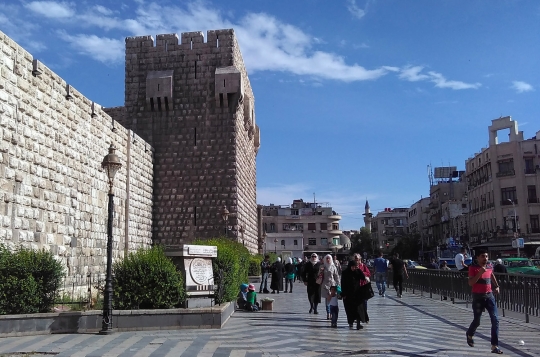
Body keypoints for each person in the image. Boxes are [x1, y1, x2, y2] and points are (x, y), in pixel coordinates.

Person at [466, 250, 503, 354]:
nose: (485, 259)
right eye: (482, 256)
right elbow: (471, 283)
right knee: (477, 321)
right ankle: (469, 334)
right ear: (477, 258)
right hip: (478, 297)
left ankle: (494, 346)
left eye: (486, 256)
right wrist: (480, 273)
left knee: (495, 320)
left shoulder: (490, 266)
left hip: (489, 296)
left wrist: (497, 286)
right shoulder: (473, 268)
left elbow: (491, 275)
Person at [340, 260, 366, 329]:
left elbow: (363, 277)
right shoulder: (345, 273)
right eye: (353, 267)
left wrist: (359, 270)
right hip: (348, 295)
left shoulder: (357, 272)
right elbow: (343, 284)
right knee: (349, 310)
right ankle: (350, 323)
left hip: (357, 294)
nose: (354, 268)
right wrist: (343, 294)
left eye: (355, 267)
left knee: (358, 309)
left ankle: (358, 324)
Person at [321, 254, 341, 320]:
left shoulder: (333, 266)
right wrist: (321, 271)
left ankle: (333, 313)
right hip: (325, 285)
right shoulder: (323, 266)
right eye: (327, 258)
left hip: (332, 285)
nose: (328, 260)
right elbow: (319, 275)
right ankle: (328, 313)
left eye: (329, 258)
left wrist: (338, 284)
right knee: (327, 299)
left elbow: (336, 276)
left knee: (332, 299)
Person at [356, 255, 371, 325]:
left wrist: (361, 273)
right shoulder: (353, 266)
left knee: (364, 302)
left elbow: (368, 273)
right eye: (355, 259)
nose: (357, 261)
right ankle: (358, 317)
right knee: (357, 303)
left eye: (358, 259)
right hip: (356, 287)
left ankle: (365, 316)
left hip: (363, 286)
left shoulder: (363, 266)